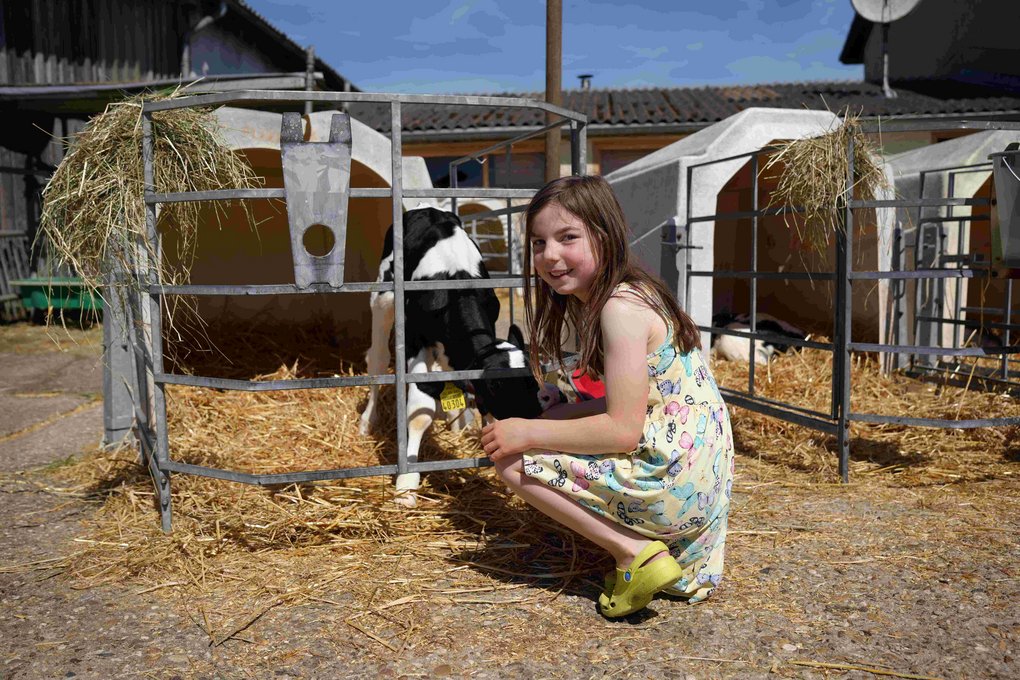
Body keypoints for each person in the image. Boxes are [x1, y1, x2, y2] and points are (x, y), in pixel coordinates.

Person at [481, 175, 734, 618]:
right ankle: (652, 543)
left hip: (674, 479)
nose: (550, 255)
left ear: (604, 235)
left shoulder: (619, 308)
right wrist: (562, 415)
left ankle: (634, 551)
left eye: (567, 237)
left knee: (512, 460)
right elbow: (644, 403)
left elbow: (622, 430)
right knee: (552, 426)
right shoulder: (634, 292)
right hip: (697, 471)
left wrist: (525, 430)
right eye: (539, 243)